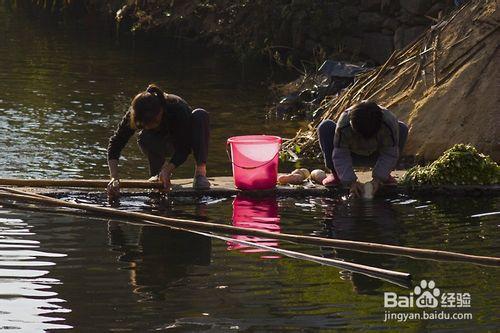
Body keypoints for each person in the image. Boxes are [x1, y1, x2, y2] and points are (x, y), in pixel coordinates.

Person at [106, 84, 210, 199]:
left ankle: (200, 173)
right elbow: (115, 144)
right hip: (160, 142)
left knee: (200, 115)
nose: (149, 126)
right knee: (144, 137)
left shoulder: (176, 108)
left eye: (153, 123)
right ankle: (157, 173)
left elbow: (183, 149)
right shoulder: (135, 113)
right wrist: (114, 177)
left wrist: (168, 169)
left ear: (160, 111)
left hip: (185, 140)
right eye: (144, 125)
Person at [317, 100, 408, 197]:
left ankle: (385, 175)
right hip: (352, 155)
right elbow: (341, 154)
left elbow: (390, 153)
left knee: (402, 128)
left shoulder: (389, 122)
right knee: (325, 126)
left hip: (376, 155)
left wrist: (379, 178)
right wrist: (350, 182)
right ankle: (336, 175)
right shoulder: (344, 123)